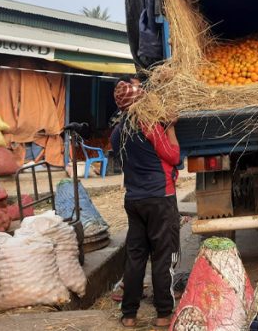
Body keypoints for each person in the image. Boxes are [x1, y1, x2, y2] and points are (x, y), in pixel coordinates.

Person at [110, 78, 181, 328]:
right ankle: (163, 314)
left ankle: (129, 314)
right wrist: (170, 127)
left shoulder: (117, 132)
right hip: (159, 198)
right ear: (139, 103)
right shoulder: (148, 125)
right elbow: (173, 156)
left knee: (136, 255)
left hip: (134, 200)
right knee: (163, 255)